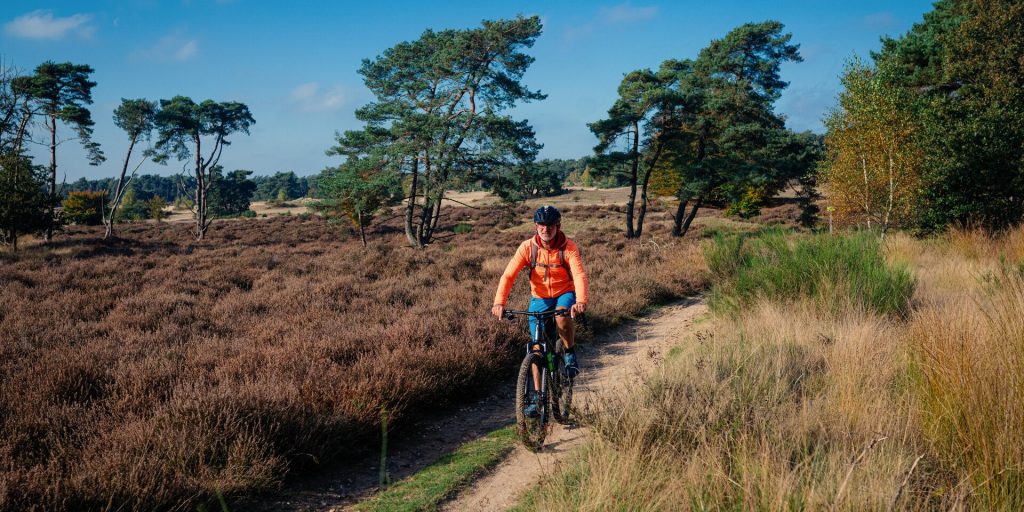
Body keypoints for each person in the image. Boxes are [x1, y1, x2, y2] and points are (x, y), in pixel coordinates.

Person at [492, 205, 589, 415]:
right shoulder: (527, 247)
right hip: (540, 297)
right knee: (536, 348)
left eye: (550, 225)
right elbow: (508, 275)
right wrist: (499, 303)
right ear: (536, 226)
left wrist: (580, 300)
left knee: (563, 315)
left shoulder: (568, 247)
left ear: (558, 226)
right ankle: (537, 398)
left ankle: (569, 352)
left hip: (565, 293)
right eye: (542, 225)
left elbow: (579, 275)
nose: (546, 229)